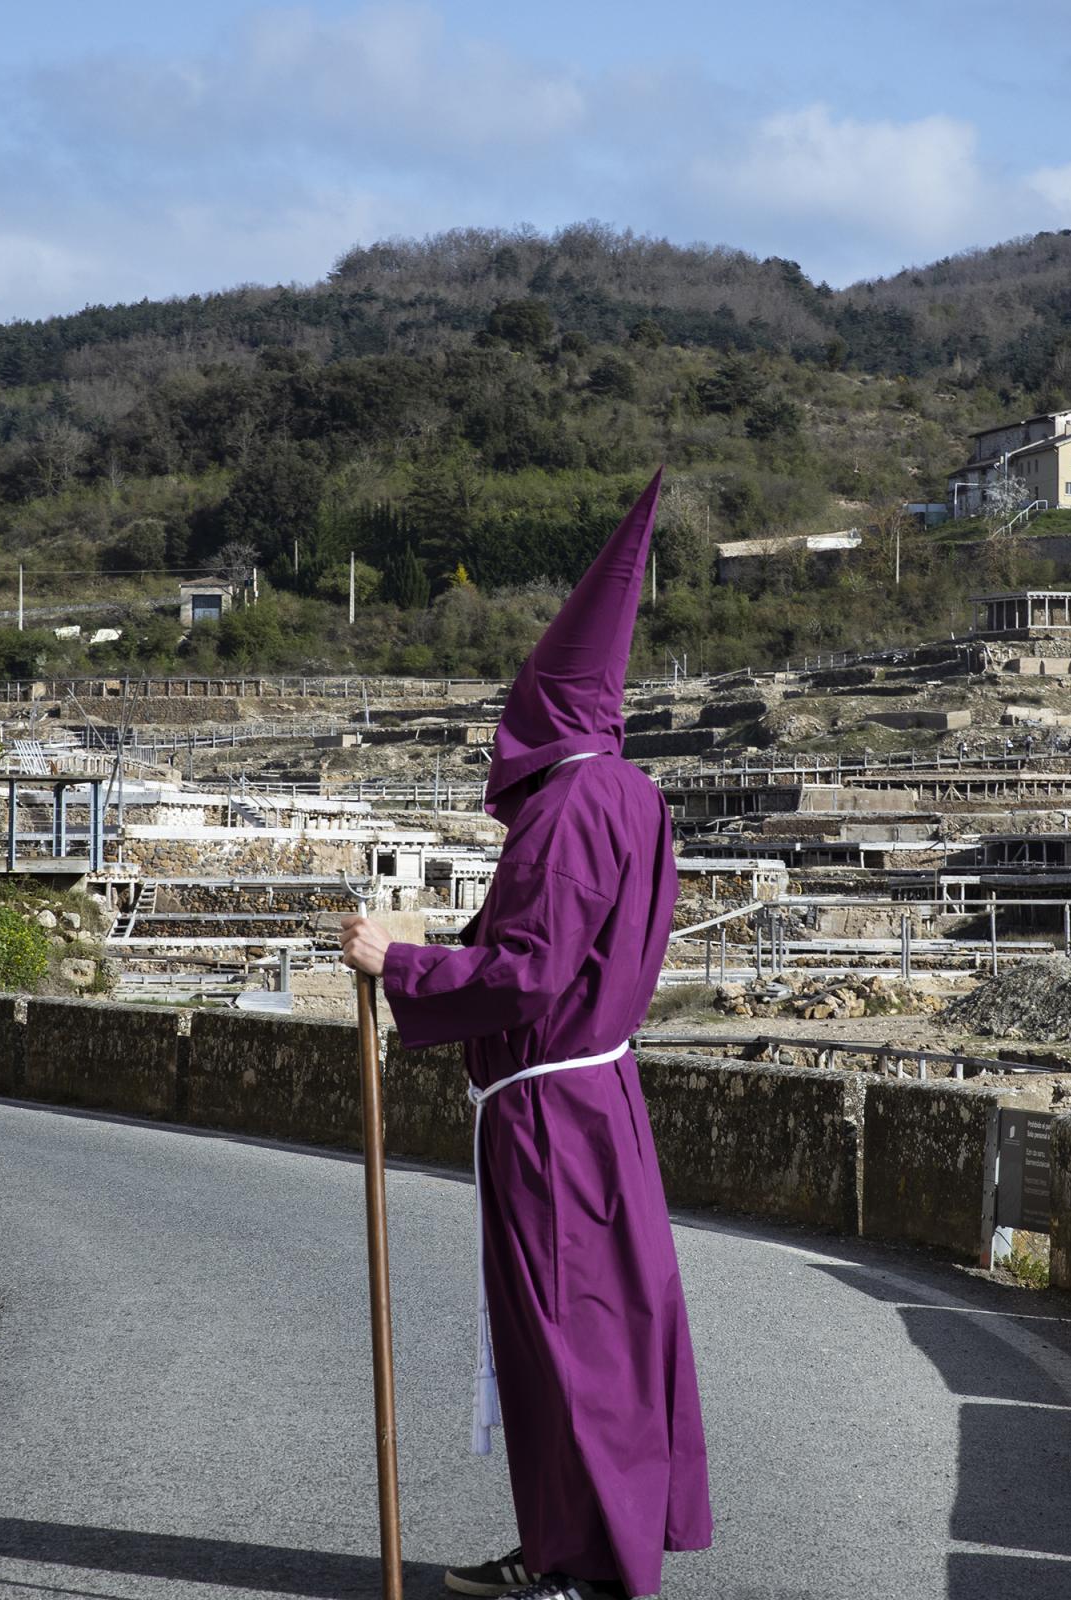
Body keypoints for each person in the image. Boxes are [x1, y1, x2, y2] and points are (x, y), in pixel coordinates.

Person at [340, 472, 710, 1600]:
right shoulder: (638, 798)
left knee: (570, 1339)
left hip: (553, 1115)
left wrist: (396, 964)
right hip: (602, 1103)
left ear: (544, 702)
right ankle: (571, 1541)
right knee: (604, 1331)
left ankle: (588, 1568)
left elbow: (529, 970)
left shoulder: (567, 809)